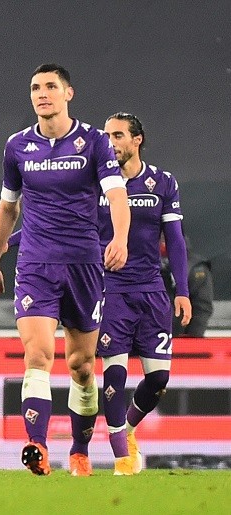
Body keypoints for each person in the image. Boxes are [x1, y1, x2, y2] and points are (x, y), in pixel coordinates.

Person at [0, 64, 131, 476]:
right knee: (37, 354)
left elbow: (117, 197)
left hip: (84, 264)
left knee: (81, 365)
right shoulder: (17, 146)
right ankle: (38, 446)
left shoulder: (94, 142)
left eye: (51, 86)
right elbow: (8, 208)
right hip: (36, 264)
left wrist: (120, 239)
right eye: (35, 87)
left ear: (68, 93)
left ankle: (80, 450)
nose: (42, 93)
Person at [98, 112, 191, 474]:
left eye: (118, 135)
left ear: (137, 140)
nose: (110, 142)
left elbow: (175, 240)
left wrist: (182, 290)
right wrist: (7, 242)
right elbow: (58, 225)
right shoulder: (96, 183)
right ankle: (122, 456)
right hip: (110, 290)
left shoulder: (163, 183)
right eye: (107, 135)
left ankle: (128, 428)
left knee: (158, 379)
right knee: (114, 374)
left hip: (152, 291)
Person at [160, 237, 213, 337]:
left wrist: (193, 338)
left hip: (182, 334)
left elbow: (202, 307)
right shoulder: (143, 264)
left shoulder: (196, 268)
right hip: (149, 334)